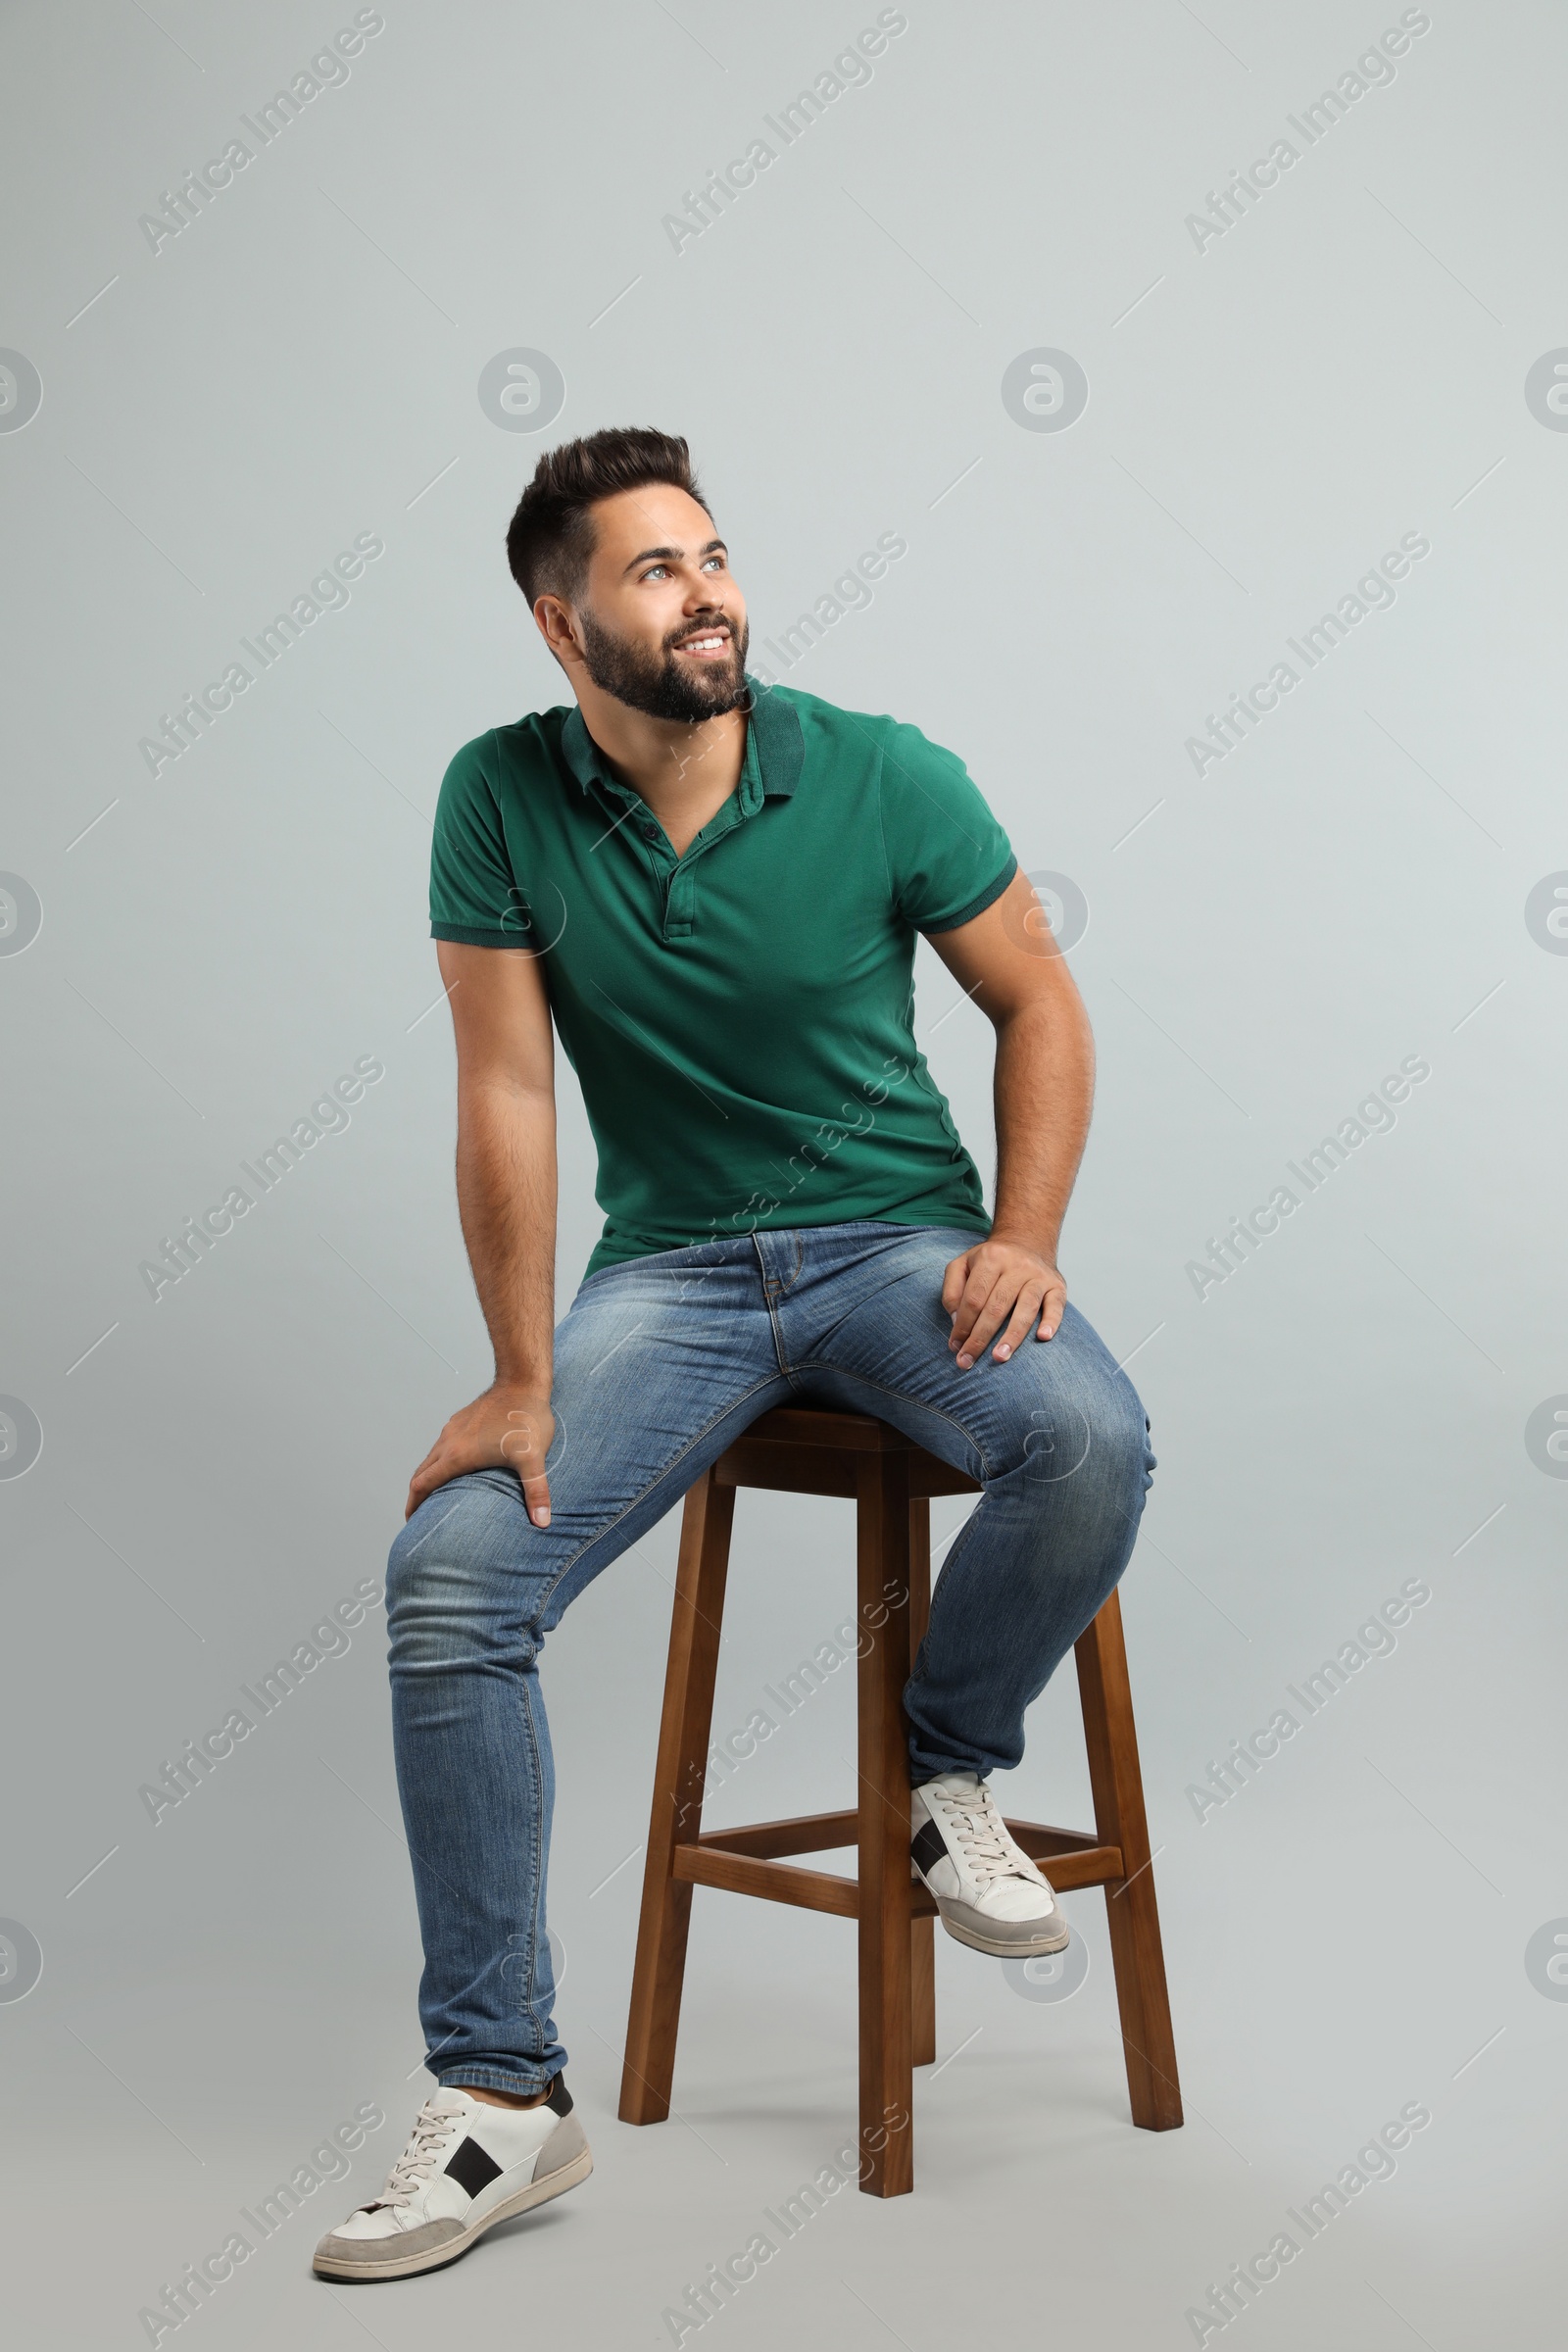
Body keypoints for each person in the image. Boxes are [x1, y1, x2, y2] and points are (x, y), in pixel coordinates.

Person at [314, 427, 1154, 2280]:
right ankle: (506, 2104)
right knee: (449, 1579)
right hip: (677, 1277)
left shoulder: (878, 770)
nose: (706, 594)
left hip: (897, 1246)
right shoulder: (499, 796)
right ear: (562, 626)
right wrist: (520, 1370)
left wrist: (1023, 1237)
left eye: (713, 556)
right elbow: (507, 1091)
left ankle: (942, 1778)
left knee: (1089, 1436)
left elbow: (1039, 1000)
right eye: (653, 570)